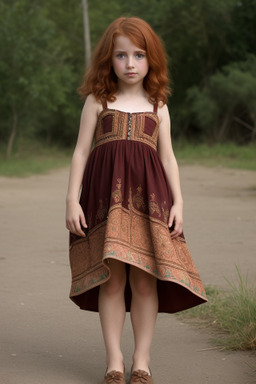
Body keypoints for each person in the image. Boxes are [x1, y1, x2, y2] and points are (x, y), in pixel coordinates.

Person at [66, 17, 207, 384]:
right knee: (112, 281)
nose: (130, 64)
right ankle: (114, 361)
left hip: (150, 204)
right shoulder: (98, 101)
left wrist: (179, 203)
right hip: (103, 202)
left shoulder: (158, 104)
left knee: (145, 281)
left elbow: (168, 157)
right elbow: (81, 152)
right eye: (121, 55)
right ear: (108, 60)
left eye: (139, 55)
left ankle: (141, 360)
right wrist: (71, 199)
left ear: (151, 59)